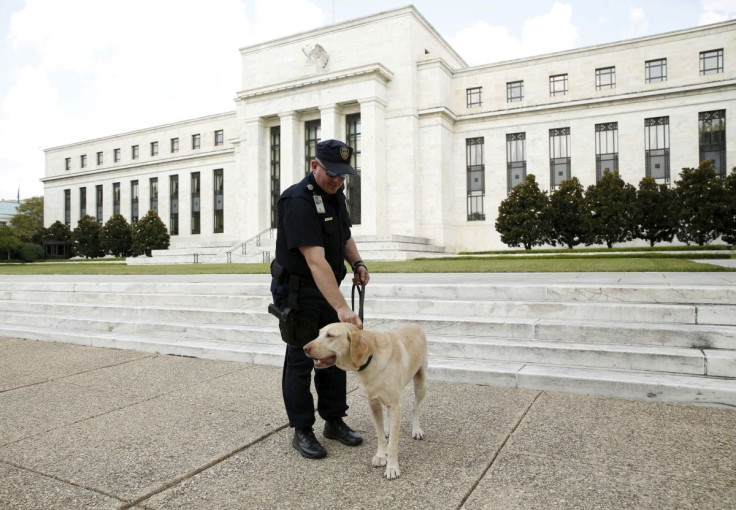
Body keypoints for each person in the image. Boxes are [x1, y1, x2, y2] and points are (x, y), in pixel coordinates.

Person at [270, 138, 370, 459]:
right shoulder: (297, 200)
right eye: (331, 173)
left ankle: (334, 420)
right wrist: (342, 307)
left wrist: (357, 263)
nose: (338, 180)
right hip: (298, 292)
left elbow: (345, 236)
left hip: (327, 287)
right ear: (314, 166)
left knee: (335, 354)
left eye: (343, 175)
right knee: (303, 359)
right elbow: (315, 261)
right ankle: (302, 430)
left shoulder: (336, 195)